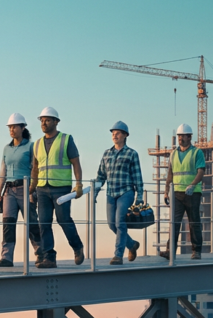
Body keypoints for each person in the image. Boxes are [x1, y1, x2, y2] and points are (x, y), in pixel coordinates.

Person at [29, 106, 85, 269]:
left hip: (61, 188)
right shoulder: (37, 144)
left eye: (47, 120)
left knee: (63, 220)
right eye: (42, 120)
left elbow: (76, 163)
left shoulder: (66, 139)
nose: (43, 123)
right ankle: (49, 257)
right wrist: (32, 187)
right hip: (42, 189)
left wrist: (79, 183)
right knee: (44, 223)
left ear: (56, 122)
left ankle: (77, 247)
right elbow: (35, 168)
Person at [0, 113, 41, 267]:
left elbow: (35, 169)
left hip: (25, 189)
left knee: (32, 223)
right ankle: (6, 257)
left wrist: (33, 191)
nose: (11, 130)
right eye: (10, 127)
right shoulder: (6, 149)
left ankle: (40, 253)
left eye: (14, 127)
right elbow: (3, 171)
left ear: (23, 128)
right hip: (9, 190)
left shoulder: (31, 146)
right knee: (7, 223)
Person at [95, 121, 143, 265]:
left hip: (126, 192)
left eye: (118, 133)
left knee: (120, 222)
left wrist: (139, 196)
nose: (114, 135)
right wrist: (95, 192)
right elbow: (101, 176)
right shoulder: (107, 153)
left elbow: (137, 176)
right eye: (113, 133)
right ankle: (132, 244)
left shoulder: (132, 154)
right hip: (111, 193)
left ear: (125, 135)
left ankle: (118, 255)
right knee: (112, 224)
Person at [161, 123, 205, 260]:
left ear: (189, 137)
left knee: (194, 222)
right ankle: (170, 251)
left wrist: (192, 185)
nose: (180, 138)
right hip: (177, 193)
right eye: (179, 136)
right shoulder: (173, 154)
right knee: (174, 223)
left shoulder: (197, 152)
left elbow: (201, 171)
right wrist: (166, 191)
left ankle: (196, 251)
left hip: (193, 193)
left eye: (183, 136)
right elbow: (170, 174)